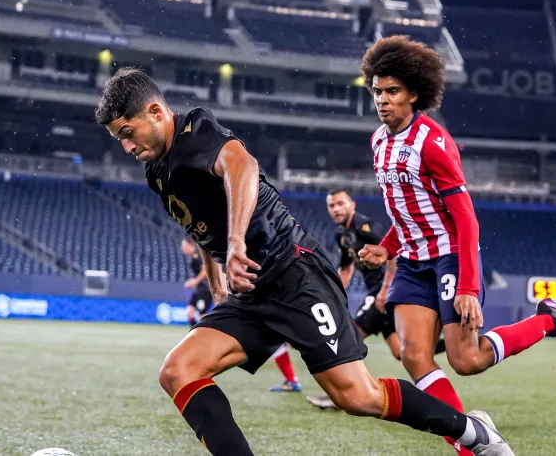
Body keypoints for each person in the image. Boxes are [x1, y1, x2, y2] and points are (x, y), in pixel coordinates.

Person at [95, 67, 513, 456]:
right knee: (178, 371)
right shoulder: (158, 171)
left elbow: (242, 166)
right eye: (120, 140)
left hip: (294, 272)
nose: (127, 147)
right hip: (250, 290)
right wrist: (217, 280)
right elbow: (198, 223)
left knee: (357, 396)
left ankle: (471, 432)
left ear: (155, 111)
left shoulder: (194, 129)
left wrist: (237, 244)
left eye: (128, 133)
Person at [357, 37, 556, 454]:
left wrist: (467, 286)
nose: (382, 99)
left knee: (466, 361)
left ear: (414, 93)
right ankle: (471, 445)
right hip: (413, 263)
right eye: (377, 91)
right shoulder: (379, 141)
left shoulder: (432, 142)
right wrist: (388, 245)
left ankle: (549, 321)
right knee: (414, 357)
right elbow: (406, 206)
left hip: (450, 257)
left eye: (392, 91)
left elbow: (465, 217)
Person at [306, 188, 446, 410]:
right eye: (331, 206)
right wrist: (331, 292)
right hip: (380, 296)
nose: (336, 209)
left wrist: (385, 290)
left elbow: (393, 253)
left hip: (384, 293)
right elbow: (346, 268)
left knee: (346, 338)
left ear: (352, 204)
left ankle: (344, 395)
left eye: (340, 203)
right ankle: (451, 344)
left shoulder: (365, 227)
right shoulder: (341, 234)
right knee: (400, 351)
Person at [181, 238, 213, 326]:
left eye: (183, 246)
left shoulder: (197, 255)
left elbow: (205, 270)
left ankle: (204, 336)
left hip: (205, 289)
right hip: (199, 289)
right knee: (189, 312)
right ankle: (194, 332)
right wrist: (193, 281)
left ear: (190, 245)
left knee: (202, 315)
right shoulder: (193, 256)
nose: (182, 248)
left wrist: (195, 281)